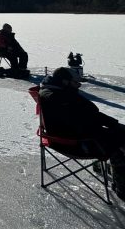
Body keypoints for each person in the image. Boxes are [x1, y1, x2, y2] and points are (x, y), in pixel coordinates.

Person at [39, 67, 125, 199]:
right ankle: (122, 188)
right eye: (76, 83)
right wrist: (114, 126)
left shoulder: (50, 91)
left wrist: (112, 124)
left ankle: (106, 167)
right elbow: (89, 119)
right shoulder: (62, 99)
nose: (78, 86)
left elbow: (88, 116)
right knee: (119, 140)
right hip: (76, 143)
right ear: (65, 82)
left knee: (117, 132)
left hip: (63, 137)